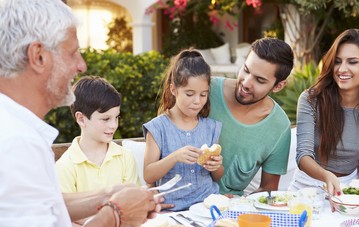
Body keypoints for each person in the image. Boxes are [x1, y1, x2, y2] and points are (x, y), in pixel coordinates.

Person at [0, 0, 159, 227]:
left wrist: (107, 194)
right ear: (38, 56)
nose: (82, 65)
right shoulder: (15, 143)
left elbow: (42, 207)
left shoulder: (13, 126)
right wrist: (115, 214)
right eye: (73, 52)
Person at [289, 29, 359, 196]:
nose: (342, 69)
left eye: (352, 62)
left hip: (351, 190)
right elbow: (303, 156)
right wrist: (327, 176)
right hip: (308, 187)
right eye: (337, 61)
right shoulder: (311, 100)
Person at [209, 37, 294, 196]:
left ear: (278, 86)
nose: (246, 83)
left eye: (260, 80)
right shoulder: (206, 91)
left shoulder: (279, 127)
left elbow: (268, 190)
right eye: (246, 70)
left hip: (229, 212)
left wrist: (239, 204)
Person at [143, 49, 224, 211]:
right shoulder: (158, 127)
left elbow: (217, 176)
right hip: (173, 208)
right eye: (189, 94)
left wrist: (217, 166)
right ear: (174, 90)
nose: (197, 101)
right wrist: (174, 157)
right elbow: (148, 175)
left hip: (207, 206)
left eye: (203, 95)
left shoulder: (211, 127)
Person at [56, 76, 141, 196]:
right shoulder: (65, 166)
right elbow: (68, 211)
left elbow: (134, 201)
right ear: (81, 119)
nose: (113, 125)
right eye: (106, 119)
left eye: (116, 117)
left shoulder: (125, 157)